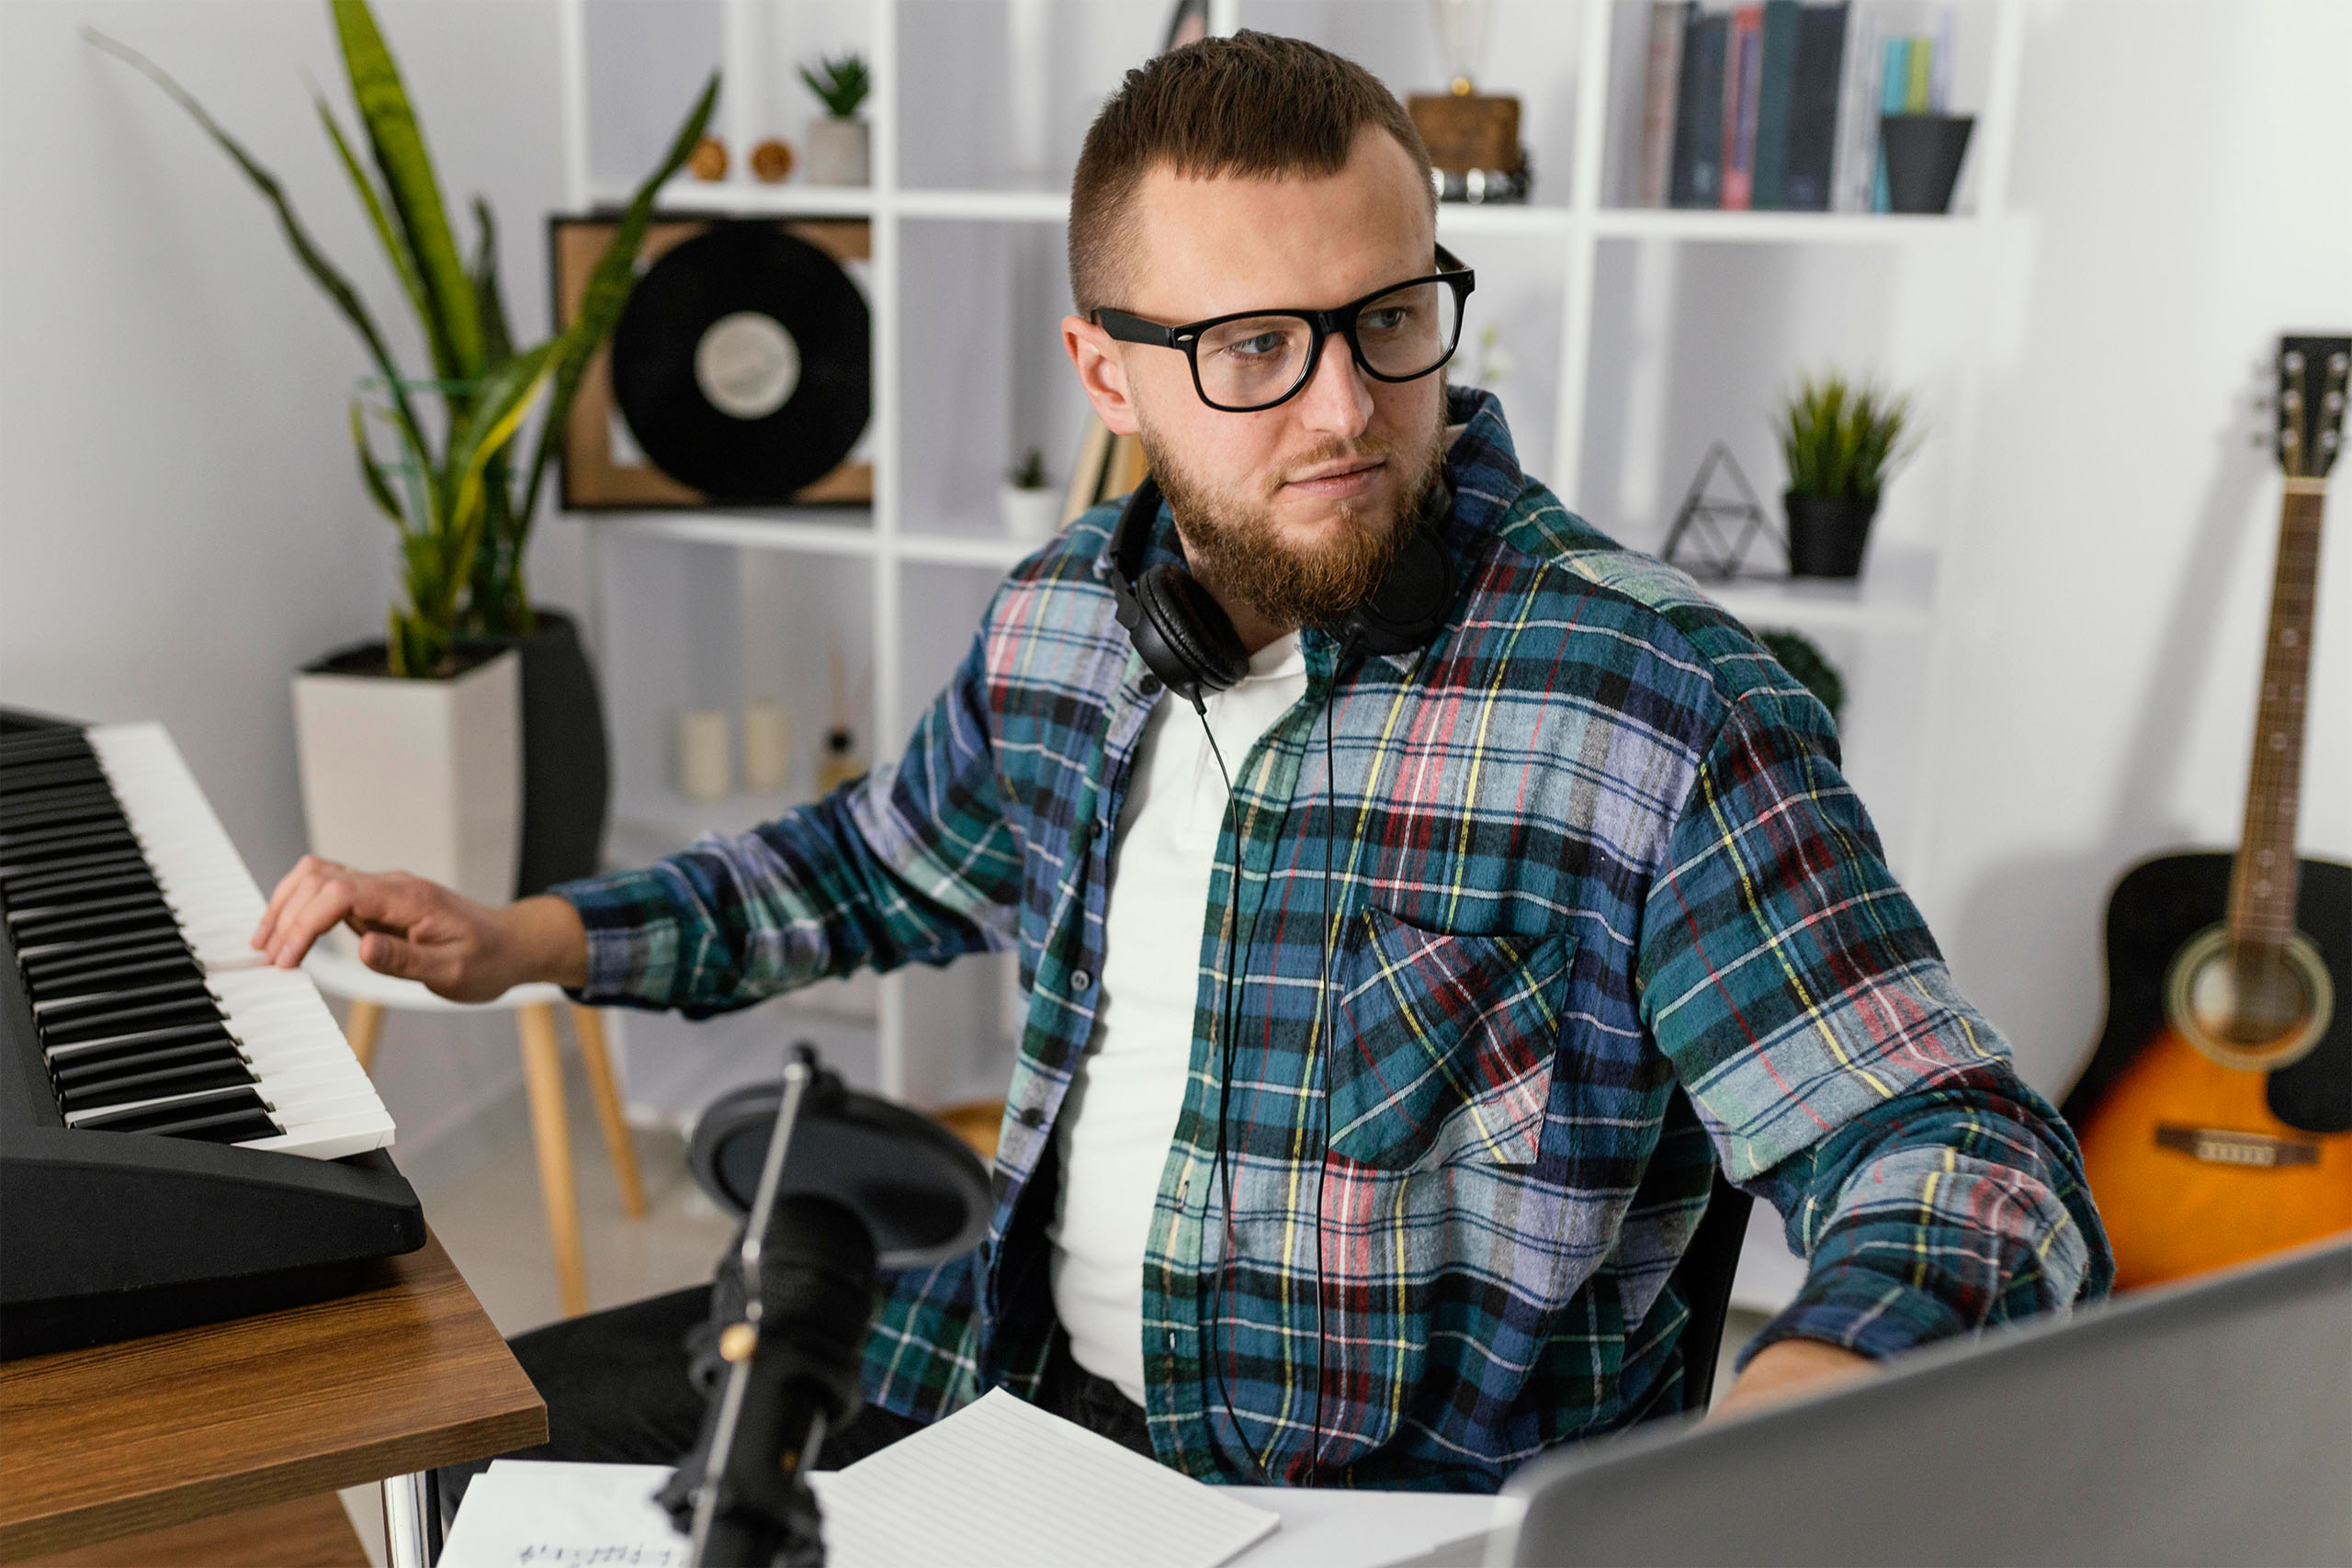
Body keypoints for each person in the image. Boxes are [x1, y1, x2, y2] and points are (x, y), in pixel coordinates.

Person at [254, 33, 2110, 1495]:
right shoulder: (1068, 617)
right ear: (1107, 373)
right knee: (466, 1461)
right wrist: (526, 936)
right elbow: (876, 864)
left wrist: (1794, 1404)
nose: (1344, 406)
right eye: (1252, 346)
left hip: (1372, 1513)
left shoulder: (1657, 704)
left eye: (1390, 319)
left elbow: (1961, 1156)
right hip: (995, 1378)